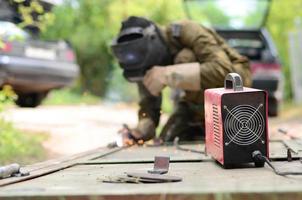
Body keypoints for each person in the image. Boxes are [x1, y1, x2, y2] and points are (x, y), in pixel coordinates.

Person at [111, 16, 251, 146]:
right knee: (164, 144)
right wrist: (141, 129)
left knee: (185, 57)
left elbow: (224, 72)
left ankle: (223, 124)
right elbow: (149, 103)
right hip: (193, 106)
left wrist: (167, 75)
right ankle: (200, 122)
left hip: (235, 91)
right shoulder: (142, 63)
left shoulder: (186, 30)